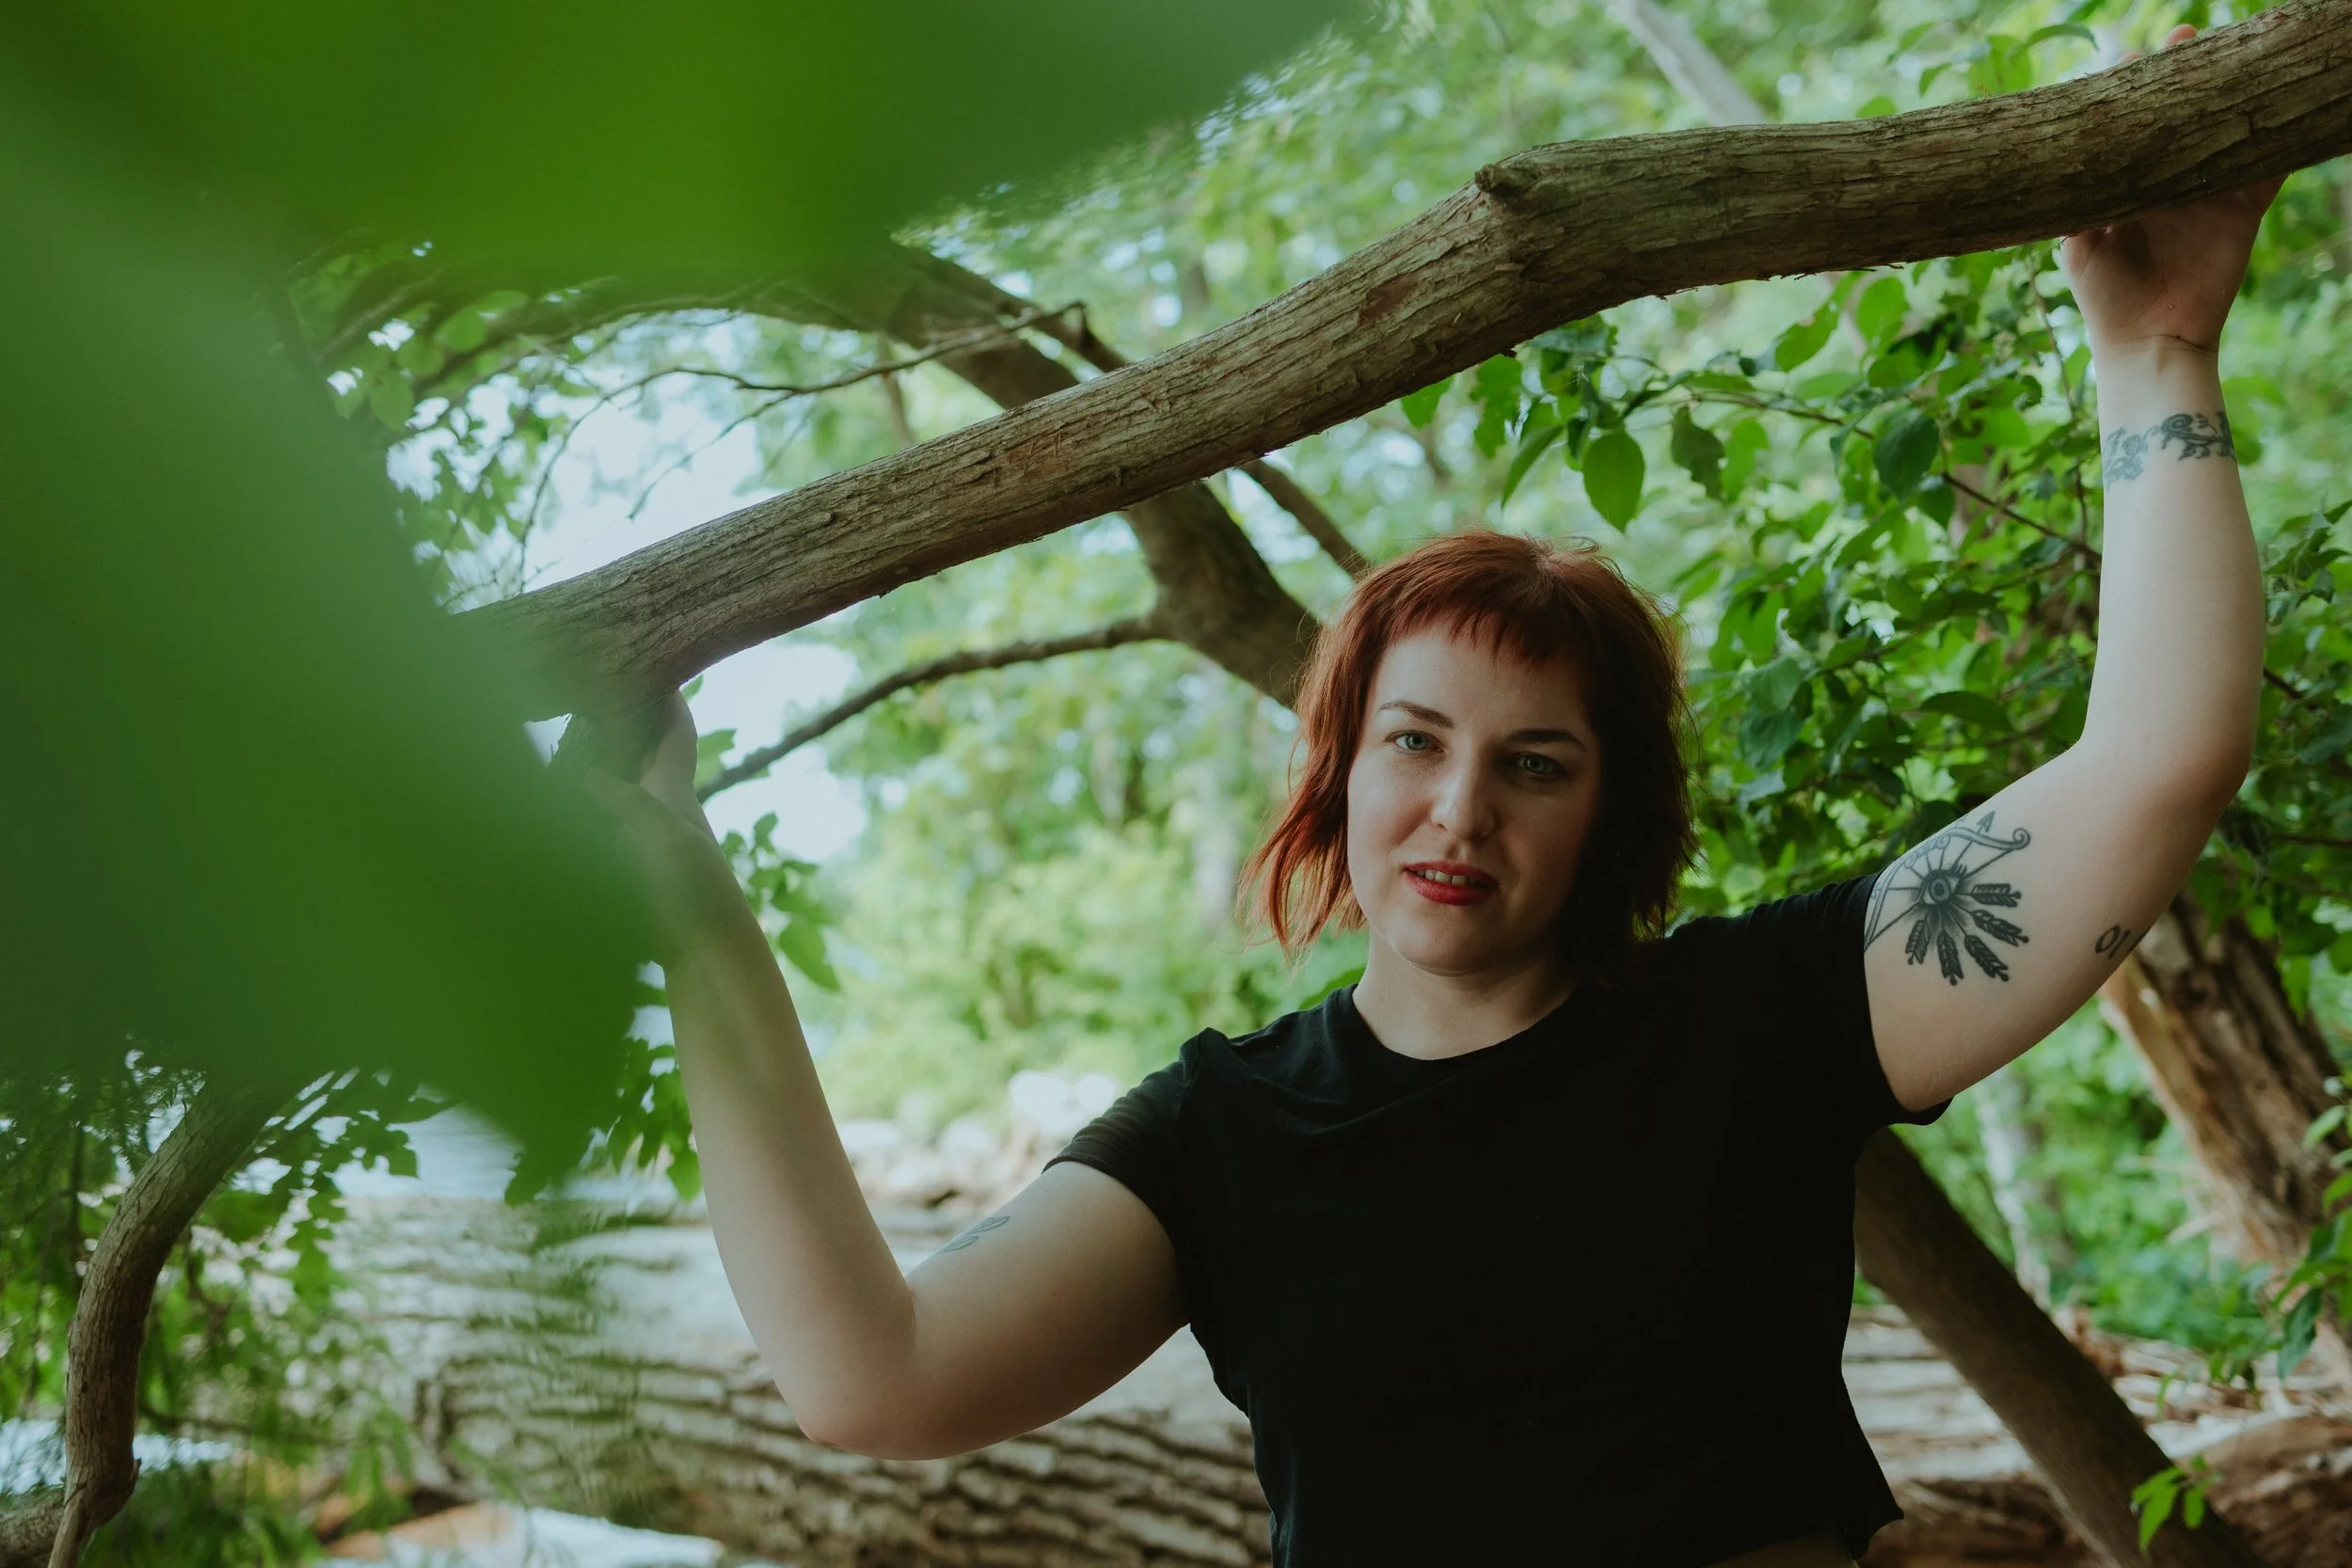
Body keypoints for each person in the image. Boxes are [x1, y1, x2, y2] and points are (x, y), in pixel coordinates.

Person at [584, 24, 2280, 1566]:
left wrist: (2156, 354)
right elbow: (871, 1375)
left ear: (1610, 810)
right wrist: (684, 890)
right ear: (1337, 772)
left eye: (1535, 762)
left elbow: (2155, 763)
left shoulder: (1756, 1023)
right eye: (1413, 741)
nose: (1462, 807)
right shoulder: (1224, 1138)